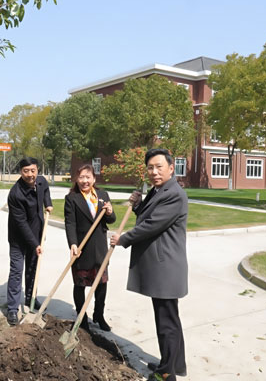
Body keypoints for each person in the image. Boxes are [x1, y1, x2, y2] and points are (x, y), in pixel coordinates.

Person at [110, 148, 188, 381]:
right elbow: (147, 215)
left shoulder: (174, 194)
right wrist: (138, 205)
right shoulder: (158, 190)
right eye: (150, 168)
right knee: (169, 319)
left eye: (159, 167)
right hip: (161, 266)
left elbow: (152, 225)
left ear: (171, 168)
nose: (154, 172)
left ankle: (166, 374)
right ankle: (175, 364)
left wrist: (123, 239)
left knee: (166, 323)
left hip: (166, 267)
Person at [64, 164, 116, 332]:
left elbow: (111, 220)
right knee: (80, 284)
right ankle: (82, 317)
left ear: (94, 178)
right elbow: (70, 223)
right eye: (81, 177)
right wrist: (73, 243)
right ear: (76, 179)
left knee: (101, 284)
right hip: (82, 247)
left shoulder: (102, 195)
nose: (85, 181)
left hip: (99, 248)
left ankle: (99, 315)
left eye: (88, 177)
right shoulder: (72, 198)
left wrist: (109, 212)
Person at [6, 157, 53, 325]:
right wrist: (35, 245)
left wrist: (48, 204)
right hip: (18, 238)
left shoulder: (41, 182)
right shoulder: (15, 194)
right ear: (21, 172)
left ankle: (30, 298)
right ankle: (12, 308)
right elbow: (21, 224)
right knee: (17, 271)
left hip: (37, 233)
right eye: (26, 171)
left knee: (33, 269)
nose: (30, 174)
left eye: (33, 170)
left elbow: (45, 191)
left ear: (37, 170)